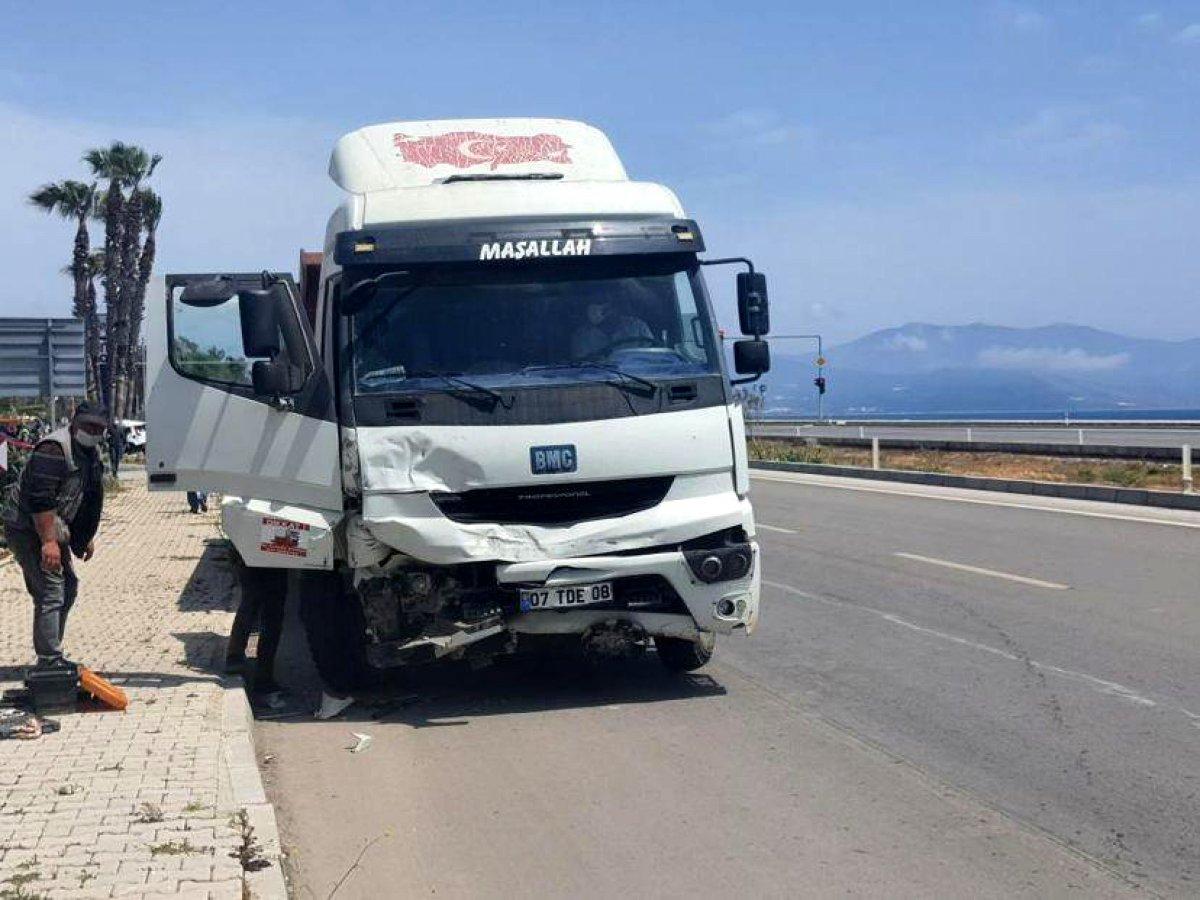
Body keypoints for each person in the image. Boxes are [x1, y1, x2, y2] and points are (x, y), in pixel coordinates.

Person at [1, 403, 107, 668]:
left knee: (68, 587)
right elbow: (41, 499)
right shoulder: (53, 449)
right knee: (51, 588)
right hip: (26, 526)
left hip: (51, 525)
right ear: (75, 422)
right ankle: (49, 660)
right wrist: (49, 542)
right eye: (88, 425)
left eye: (98, 428)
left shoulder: (90, 453)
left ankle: (51, 654)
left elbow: (87, 497)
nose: (92, 432)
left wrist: (83, 537)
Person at [225, 556, 286, 696]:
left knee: (251, 603)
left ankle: (235, 657)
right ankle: (263, 676)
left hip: (253, 554)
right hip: (277, 556)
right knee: (272, 613)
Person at [570, 300, 654, 360]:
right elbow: (580, 366)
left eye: (608, 308)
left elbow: (652, 357)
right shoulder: (582, 336)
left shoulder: (637, 326)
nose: (607, 313)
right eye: (594, 311)